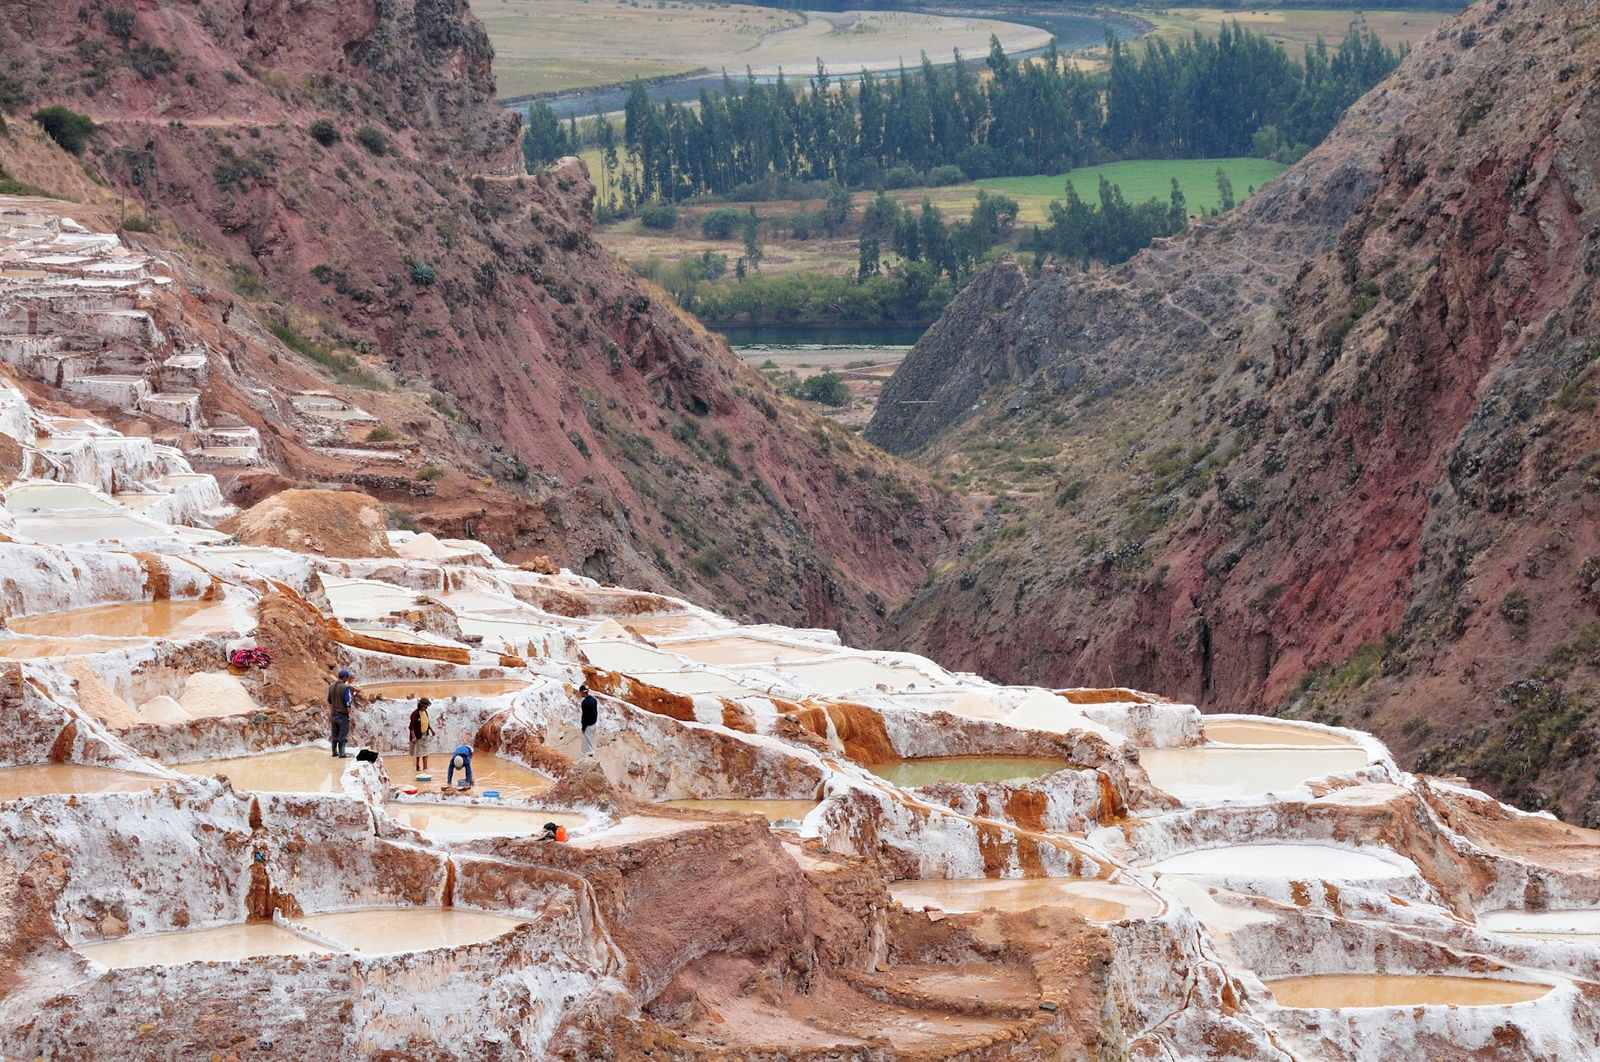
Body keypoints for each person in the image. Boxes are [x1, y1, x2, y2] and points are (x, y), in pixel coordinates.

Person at [327, 668, 354, 758]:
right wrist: (350, 715)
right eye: (347, 677)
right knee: (343, 733)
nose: (348, 678)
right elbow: (348, 703)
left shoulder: (331, 686)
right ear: (345, 677)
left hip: (334, 714)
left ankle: (334, 752)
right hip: (342, 715)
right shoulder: (346, 688)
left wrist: (331, 714)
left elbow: (329, 702)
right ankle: (342, 753)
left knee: (335, 734)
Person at [409, 697, 435, 772]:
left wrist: (431, 730)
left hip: (425, 735)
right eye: (425, 706)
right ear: (421, 706)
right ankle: (417, 768)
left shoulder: (425, 712)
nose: (426, 708)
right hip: (417, 736)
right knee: (417, 754)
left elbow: (427, 723)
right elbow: (411, 727)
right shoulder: (415, 714)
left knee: (425, 753)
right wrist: (413, 737)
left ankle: (425, 768)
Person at [579, 683, 598, 756]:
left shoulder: (585, 702)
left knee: (587, 746)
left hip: (588, 726)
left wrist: (584, 727)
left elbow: (585, 716)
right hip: (593, 725)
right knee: (590, 742)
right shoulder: (593, 700)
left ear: (582, 692)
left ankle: (589, 761)